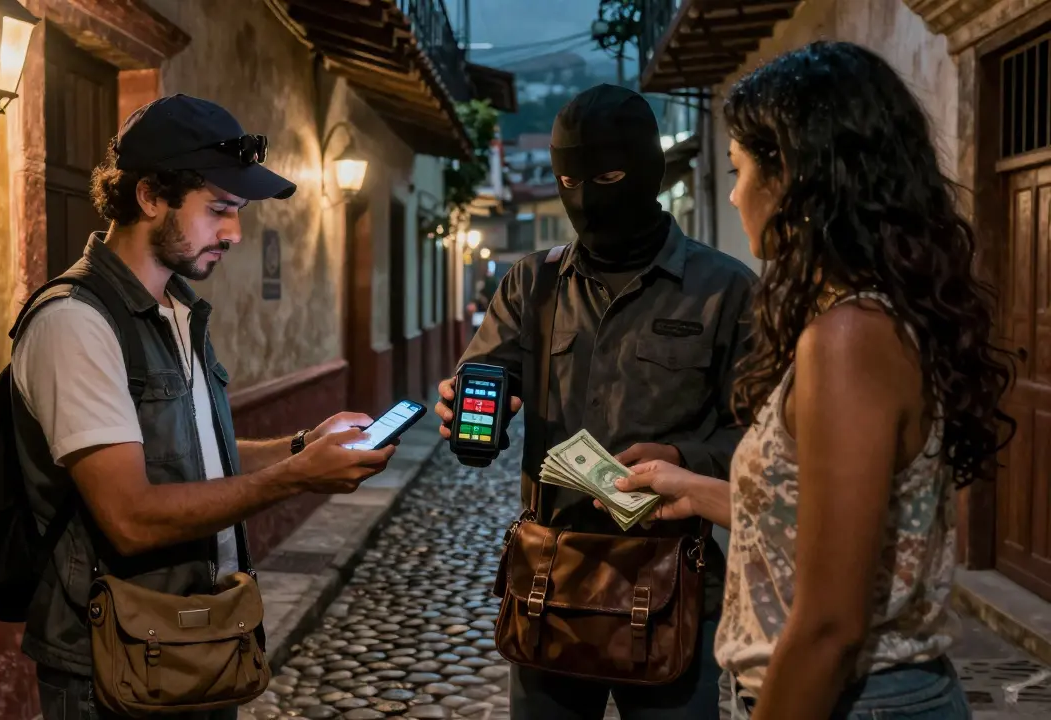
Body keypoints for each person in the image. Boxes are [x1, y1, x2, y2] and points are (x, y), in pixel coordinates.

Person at [613, 42, 1015, 719]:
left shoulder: (849, 339)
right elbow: (831, 522)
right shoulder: (874, 316)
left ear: (796, 177)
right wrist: (693, 489)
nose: (735, 193)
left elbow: (830, 626)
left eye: (740, 170)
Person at [10, 94, 397, 720]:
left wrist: (301, 445)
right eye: (219, 209)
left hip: (195, 640)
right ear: (149, 197)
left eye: (237, 212)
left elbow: (191, 456)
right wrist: (295, 478)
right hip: (114, 665)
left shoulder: (176, 311)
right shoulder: (75, 323)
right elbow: (130, 515)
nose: (235, 233)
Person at [434, 84, 757, 719]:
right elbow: (483, 382)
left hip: (673, 583)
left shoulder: (726, 291)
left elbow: (763, 441)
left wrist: (682, 459)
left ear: (649, 172)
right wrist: (470, 415)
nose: (585, 197)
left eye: (608, 175)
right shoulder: (531, 282)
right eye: (566, 179)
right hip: (551, 580)